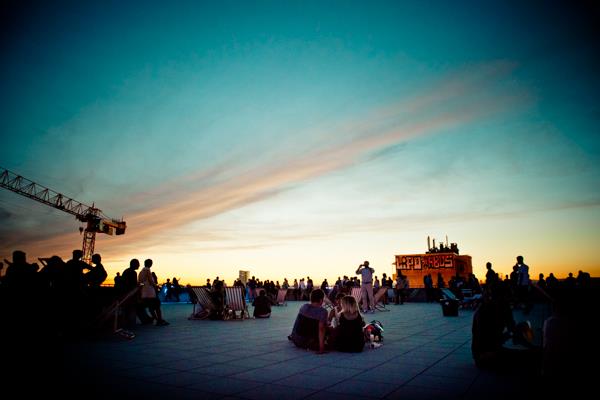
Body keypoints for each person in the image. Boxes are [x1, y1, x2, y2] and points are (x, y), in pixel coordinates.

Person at [288, 289, 328, 353]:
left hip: (296, 340)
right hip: (308, 342)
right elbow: (321, 329)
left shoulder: (304, 307)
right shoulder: (322, 312)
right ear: (321, 300)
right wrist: (321, 348)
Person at [138, 259, 169, 326]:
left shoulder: (141, 272)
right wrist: (157, 287)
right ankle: (159, 320)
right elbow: (151, 281)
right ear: (150, 264)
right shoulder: (147, 270)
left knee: (150, 307)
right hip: (150, 292)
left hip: (144, 293)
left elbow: (140, 282)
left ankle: (157, 320)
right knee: (157, 306)